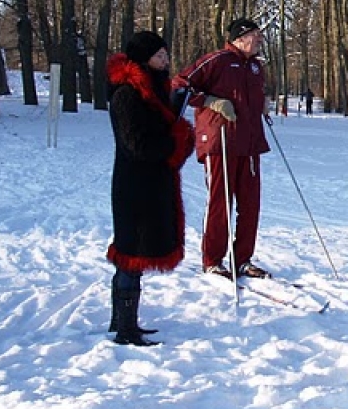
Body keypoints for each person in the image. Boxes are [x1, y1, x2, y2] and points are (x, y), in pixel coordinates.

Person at [106, 31, 195, 346]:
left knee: (136, 250)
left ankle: (123, 321)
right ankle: (125, 327)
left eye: (165, 55)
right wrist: (175, 140)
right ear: (144, 58)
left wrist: (177, 132)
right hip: (134, 186)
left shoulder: (152, 92)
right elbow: (136, 144)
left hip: (150, 183)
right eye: (159, 56)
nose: (166, 61)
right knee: (131, 251)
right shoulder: (127, 94)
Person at [176, 18, 271, 279]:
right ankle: (212, 260)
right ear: (240, 37)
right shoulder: (216, 61)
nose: (260, 39)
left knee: (250, 205)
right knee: (220, 202)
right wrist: (209, 100)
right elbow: (179, 85)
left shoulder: (255, 67)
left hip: (250, 144)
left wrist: (262, 103)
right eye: (255, 35)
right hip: (221, 142)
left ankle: (242, 259)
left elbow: (251, 95)